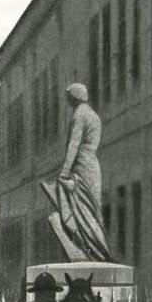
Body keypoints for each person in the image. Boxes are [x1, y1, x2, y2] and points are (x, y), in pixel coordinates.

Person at [40, 83, 113, 262]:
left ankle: (95, 250)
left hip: (81, 164)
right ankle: (98, 250)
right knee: (92, 208)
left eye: (68, 97)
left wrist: (64, 172)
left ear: (74, 96)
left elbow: (74, 144)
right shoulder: (93, 115)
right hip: (92, 164)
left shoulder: (79, 115)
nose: (66, 100)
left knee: (82, 208)